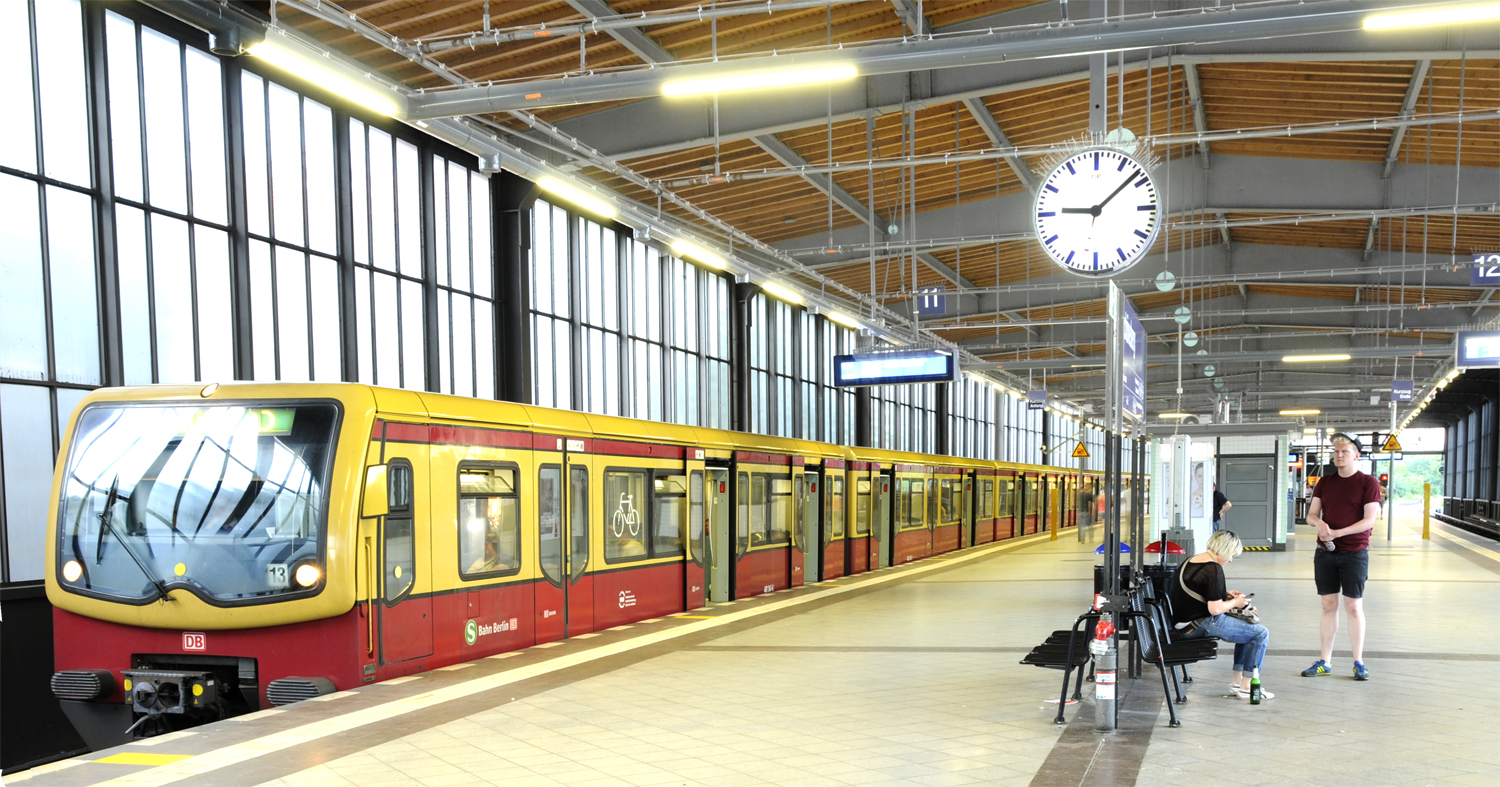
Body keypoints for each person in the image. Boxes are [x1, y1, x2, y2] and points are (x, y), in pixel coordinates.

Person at [1302, 432, 1381, 681]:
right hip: (1325, 552)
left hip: (1354, 552)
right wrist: (1319, 524)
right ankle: (1325, 661)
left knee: (1353, 606)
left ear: (1357, 454)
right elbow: (1311, 514)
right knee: (1328, 605)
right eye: (1336, 451)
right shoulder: (1325, 482)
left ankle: (1358, 661)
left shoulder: (1368, 483)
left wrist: (1337, 532)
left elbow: (1369, 520)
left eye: (1344, 451)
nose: (1338, 455)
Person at [1167, 530, 1272, 700]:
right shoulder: (1213, 568)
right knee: (1260, 634)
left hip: (1184, 623)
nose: (1230, 560)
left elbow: (1197, 592)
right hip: (1200, 625)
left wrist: (1225, 594)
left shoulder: (1191, 560)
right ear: (1224, 550)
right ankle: (1247, 686)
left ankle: (1238, 683)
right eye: (1231, 555)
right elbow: (1214, 610)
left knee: (1247, 630)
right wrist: (1236, 603)